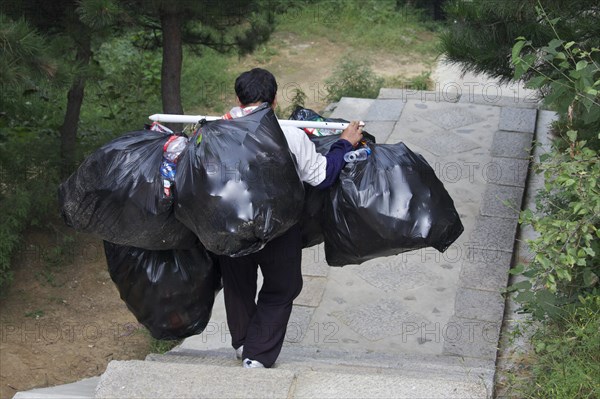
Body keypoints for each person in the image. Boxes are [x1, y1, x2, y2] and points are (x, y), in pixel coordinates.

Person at [218, 68, 363, 368]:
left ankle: (244, 340)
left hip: (230, 225)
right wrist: (344, 143)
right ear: (273, 102)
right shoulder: (290, 136)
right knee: (282, 287)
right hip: (279, 227)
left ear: (237, 99)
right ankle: (256, 355)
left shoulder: (216, 133)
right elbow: (322, 177)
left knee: (237, 282)